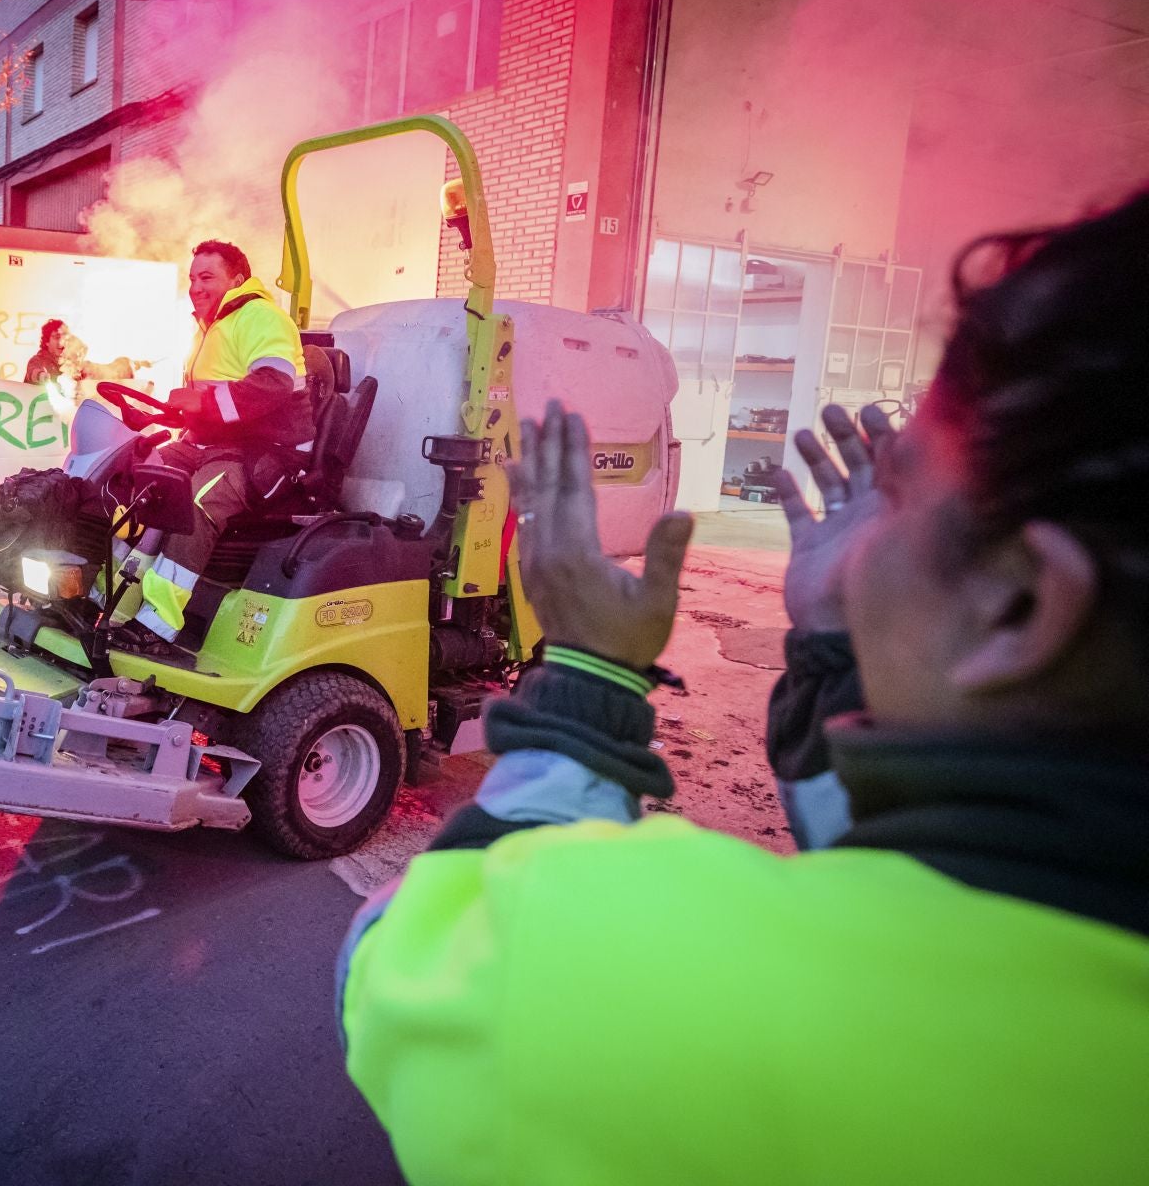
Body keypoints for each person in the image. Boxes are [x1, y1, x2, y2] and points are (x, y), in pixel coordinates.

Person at [336, 191, 1149, 1184]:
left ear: (1019, 604)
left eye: (895, 495)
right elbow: (898, 874)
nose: (856, 551)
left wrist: (588, 669)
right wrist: (840, 653)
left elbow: (401, 956)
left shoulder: (649, 967)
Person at [109, 240, 314, 660]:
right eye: (192, 278)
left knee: (195, 502)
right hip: (215, 445)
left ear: (237, 279)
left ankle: (157, 624)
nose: (196, 287)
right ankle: (108, 597)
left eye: (207, 277)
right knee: (141, 477)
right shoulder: (210, 326)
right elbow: (208, 405)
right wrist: (156, 420)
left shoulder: (260, 318)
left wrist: (200, 404)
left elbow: (272, 384)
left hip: (270, 453)